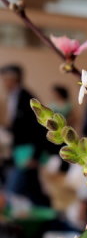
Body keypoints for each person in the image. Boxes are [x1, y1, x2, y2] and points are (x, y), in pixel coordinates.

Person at [0, 63, 50, 206]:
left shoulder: (27, 98)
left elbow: (39, 128)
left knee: (15, 191)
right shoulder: (13, 97)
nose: (3, 83)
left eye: (5, 79)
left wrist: (35, 156)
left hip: (27, 153)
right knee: (29, 189)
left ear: (13, 79)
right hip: (18, 152)